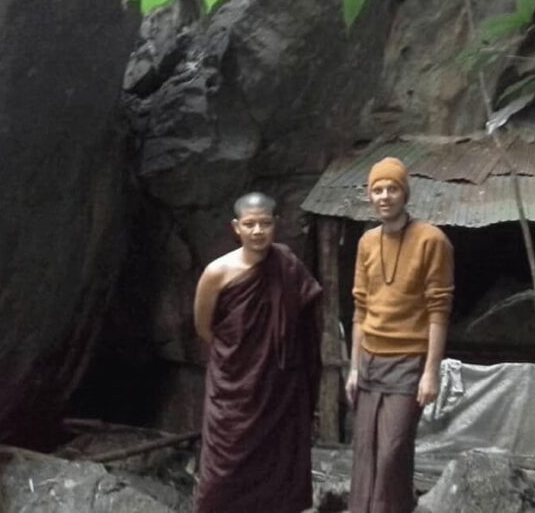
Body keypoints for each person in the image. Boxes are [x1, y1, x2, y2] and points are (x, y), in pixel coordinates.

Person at [192, 192, 322, 513]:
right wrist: (236, 357)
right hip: (233, 386)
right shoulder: (217, 273)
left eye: (265, 223)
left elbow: (306, 323)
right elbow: (203, 327)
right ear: (236, 227)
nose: (258, 231)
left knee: (277, 466)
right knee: (223, 469)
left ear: (276, 224)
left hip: (277, 388)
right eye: (249, 224)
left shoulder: (288, 264)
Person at [347, 157, 454, 513]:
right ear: (370, 196)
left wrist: (431, 371)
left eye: (392, 188)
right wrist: (353, 367)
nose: (384, 196)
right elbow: (360, 308)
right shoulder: (366, 242)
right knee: (364, 451)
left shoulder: (432, 241)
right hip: (370, 360)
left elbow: (439, 308)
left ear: (404, 193)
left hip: (409, 361)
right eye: (377, 190)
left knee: (393, 451)